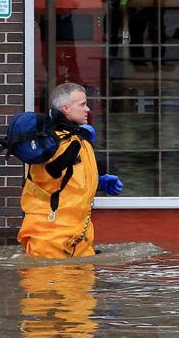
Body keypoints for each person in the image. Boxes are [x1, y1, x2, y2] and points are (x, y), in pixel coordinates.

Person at [18, 83, 123, 259]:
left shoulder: (77, 140)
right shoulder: (54, 143)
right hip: (52, 242)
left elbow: (65, 181)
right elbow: (48, 177)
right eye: (82, 104)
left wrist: (97, 182)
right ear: (66, 109)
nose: (88, 109)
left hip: (76, 241)